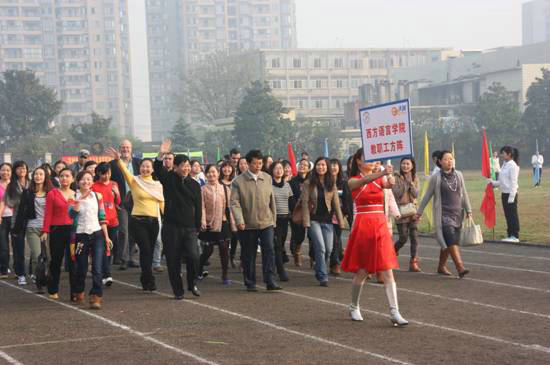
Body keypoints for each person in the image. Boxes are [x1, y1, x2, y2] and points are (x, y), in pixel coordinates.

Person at [341, 148, 408, 326]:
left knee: (387, 268)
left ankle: (394, 312)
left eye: (373, 159)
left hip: (380, 225)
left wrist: (391, 177)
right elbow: (364, 180)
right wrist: (381, 174)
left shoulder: (380, 178)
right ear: (358, 161)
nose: (371, 162)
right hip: (364, 225)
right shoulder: (353, 180)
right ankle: (354, 306)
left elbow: (390, 184)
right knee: (363, 271)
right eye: (367, 159)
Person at [106, 147, 164, 292]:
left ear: (152, 169)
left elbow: (162, 203)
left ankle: (145, 277)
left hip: (153, 222)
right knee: (144, 249)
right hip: (138, 222)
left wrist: (167, 218)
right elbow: (125, 171)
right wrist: (118, 160)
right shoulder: (135, 181)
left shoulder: (157, 185)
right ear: (140, 168)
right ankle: (149, 279)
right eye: (143, 166)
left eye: (148, 167)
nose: (145, 169)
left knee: (149, 251)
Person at [154, 139, 202, 299]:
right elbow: (157, 169)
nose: (186, 168)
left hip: (189, 228)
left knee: (194, 256)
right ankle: (178, 291)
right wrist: (161, 153)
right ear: (175, 167)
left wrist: (197, 226)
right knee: (173, 261)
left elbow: (198, 206)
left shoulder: (194, 184)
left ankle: (192, 282)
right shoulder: (168, 179)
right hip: (171, 227)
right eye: (183, 165)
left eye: (188, 165)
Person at [230, 149, 281, 292]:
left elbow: (272, 201)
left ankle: (270, 280)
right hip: (247, 224)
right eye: (255, 163)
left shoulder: (267, 178)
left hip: (267, 222)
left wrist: (273, 220)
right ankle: (250, 281)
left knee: (269, 250)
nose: (258, 166)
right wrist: (239, 220)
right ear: (248, 163)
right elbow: (234, 203)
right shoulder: (238, 181)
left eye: (260, 163)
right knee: (249, 253)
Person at [417, 150, 472, 277]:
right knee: (451, 238)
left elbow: (464, 194)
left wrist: (468, 210)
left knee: (449, 241)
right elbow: (426, 197)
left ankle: (441, 266)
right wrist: (419, 212)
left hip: (458, 213)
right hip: (443, 215)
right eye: (446, 159)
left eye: (451, 158)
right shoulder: (436, 178)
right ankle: (460, 267)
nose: (449, 161)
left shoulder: (459, 175)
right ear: (440, 162)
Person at [69, 170, 113, 309]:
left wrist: (106, 236)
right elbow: (70, 215)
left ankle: (96, 296)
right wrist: (76, 206)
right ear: (78, 182)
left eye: (89, 179)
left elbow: (102, 217)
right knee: (81, 267)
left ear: (92, 182)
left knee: (97, 267)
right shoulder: (73, 196)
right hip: (81, 235)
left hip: (97, 234)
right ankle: (79, 290)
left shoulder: (97, 196)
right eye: (83, 179)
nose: (86, 182)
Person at [301, 157, 345, 287]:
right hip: (314, 220)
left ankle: (319, 268)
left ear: (327, 168)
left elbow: (336, 203)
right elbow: (304, 203)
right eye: (319, 165)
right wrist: (306, 221)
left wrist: (341, 221)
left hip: (328, 221)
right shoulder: (309, 183)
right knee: (320, 248)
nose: (321, 167)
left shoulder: (331, 183)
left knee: (329, 249)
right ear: (315, 167)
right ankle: (322, 275)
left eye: (323, 165)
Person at [13, 166, 54, 292]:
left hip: (48, 228)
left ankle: (47, 278)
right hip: (32, 228)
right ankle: (38, 281)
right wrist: (16, 229)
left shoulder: (52, 192)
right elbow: (21, 211)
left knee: (48, 256)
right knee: (37, 256)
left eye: (41, 174)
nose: (38, 176)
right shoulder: (27, 192)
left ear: (46, 177)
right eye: (36, 174)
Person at [198, 164, 236, 285]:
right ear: (205, 174)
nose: (211, 174)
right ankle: (198, 269)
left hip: (223, 222)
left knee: (224, 249)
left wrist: (234, 224)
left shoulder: (225, 189)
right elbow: (201, 207)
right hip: (208, 223)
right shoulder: (203, 189)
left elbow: (229, 207)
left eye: (214, 172)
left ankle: (224, 275)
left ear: (218, 174)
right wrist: (203, 221)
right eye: (209, 172)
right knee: (208, 251)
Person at [42, 168, 76, 300]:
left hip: (73, 232)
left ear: (72, 179)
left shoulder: (76, 194)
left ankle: (75, 292)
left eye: (67, 176)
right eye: (62, 176)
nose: (64, 179)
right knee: (56, 261)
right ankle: (53, 289)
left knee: (73, 262)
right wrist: (45, 231)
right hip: (57, 231)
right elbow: (48, 214)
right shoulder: (53, 194)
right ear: (58, 178)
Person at [109, 139, 141, 270]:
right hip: (121, 201)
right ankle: (123, 258)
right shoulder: (113, 164)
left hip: (137, 201)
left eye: (128, 147)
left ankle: (132, 258)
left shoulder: (138, 163)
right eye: (123, 147)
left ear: (131, 149)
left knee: (134, 230)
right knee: (123, 230)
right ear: (120, 149)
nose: (125, 150)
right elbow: (109, 182)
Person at [92, 162, 121, 287]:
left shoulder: (114, 184)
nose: (107, 176)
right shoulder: (94, 187)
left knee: (110, 247)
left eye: (108, 173)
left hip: (113, 221)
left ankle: (105, 273)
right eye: (104, 174)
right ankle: (107, 274)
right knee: (104, 247)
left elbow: (118, 202)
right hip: (99, 222)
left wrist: (117, 194)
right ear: (98, 173)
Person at [392, 157, 421, 272]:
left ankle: (413, 261)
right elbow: (396, 194)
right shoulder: (395, 178)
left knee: (414, 237)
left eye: (408, 164)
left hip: (412, 211)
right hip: (401, 211)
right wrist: (405, 184)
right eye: (403, 164)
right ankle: (393, 251)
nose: (405, 166)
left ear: (412, 166)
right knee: (403, 238)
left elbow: (416, 194)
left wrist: (411, 184)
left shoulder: (415, 178)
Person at [4, 161, 30, 285]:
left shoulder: (32, 183)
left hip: (32, 219)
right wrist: (22, 201)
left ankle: (34, 272)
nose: (22, 170)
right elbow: (9, 202)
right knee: (19, 248)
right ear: (15, 171)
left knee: (36, 248)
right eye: (19, 168)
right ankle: (20, 273)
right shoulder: (11, 185)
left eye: (24, 168)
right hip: (17, 219)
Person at [490, 146, 521, 243]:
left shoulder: (513, 166)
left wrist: (512, 196)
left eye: (503, 153)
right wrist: (492, 183)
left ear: (509, 154)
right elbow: (501, 181)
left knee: (512, 215)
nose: (502, 155)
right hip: (504, 193)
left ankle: (515, 235)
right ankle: (510, 234)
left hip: (511, 194)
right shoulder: (504, 164)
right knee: (507, 215)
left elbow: (513, 182)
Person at [270, 161, 293, 282]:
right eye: (276, 168)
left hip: (285, 219)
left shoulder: (287, 185)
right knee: (277, 245)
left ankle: (273, 266)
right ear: (272, 170)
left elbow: (291, 201)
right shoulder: (268, 185)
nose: (279, 170)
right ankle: (281, 271)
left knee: (280, 245)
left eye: (281, 168)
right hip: (273, 219)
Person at [328, 159, 351, 276]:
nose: (333, 168)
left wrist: (347, 215)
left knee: (337, 240)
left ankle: (335, 261)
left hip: (339, 216)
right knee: (334, 241)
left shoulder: (343, 182)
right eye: (331, 165)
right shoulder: (325, 182)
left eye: (335, 165)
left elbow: (347, 200)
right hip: (326, 216)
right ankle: (335, 264)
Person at [289, 158, 310, 267]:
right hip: (297, 211)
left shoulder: (312, 180)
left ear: (309, 168)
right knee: (299, 235)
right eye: (301, 165)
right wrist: (295, 208)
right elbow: (291, 197)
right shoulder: (292, 182)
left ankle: (313, 257)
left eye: (305, 165)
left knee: (312, 235)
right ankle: (297, 251)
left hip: (311, 211)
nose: (302, 166)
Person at [219, 161, 239, 268]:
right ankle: (225, 258)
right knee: (225, 237)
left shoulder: (235, 182)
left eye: (229, 168)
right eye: (225, 167)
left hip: (234, 210)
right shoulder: (218, 182)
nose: (227, 169)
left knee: (235, 235)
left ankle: (232, 256)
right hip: (222, 212)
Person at [0, 163, 12, 279]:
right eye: (3, 170)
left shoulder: (15, 185)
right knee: (3, 245)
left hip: (14, 218)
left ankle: (19, 270)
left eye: (8, 170)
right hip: (2, 218)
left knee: (17, 245)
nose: (5, 173)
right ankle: (4, 269)